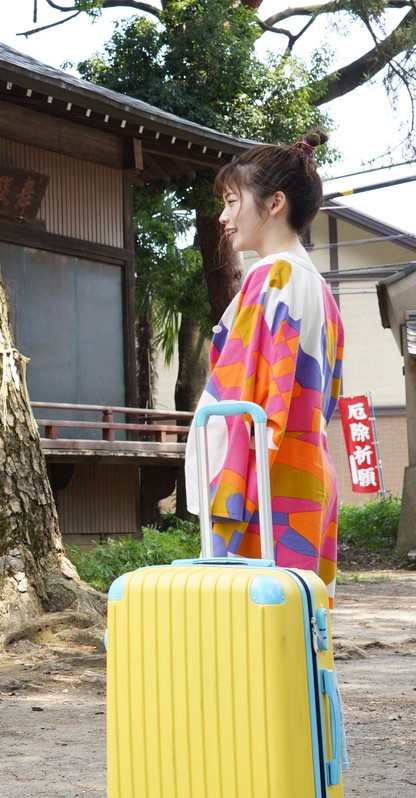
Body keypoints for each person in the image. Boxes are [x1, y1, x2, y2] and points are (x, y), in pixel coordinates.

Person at [185, 132, 345, 596]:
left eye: (233, 201)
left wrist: (221, 484)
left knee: (249, 637)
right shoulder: (316, 286)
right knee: (295, 634)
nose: (224, 216)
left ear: (274, 203)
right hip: (304, 474)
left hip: (264, 482)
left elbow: (243, 401)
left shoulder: (273, 276)